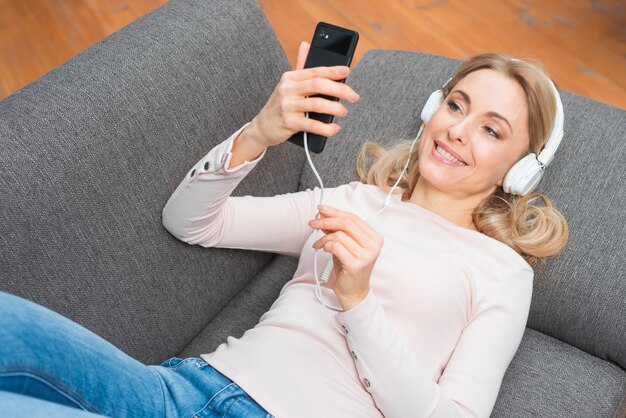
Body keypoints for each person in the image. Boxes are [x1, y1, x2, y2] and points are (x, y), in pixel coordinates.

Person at [0, 41, 568, 418]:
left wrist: (358, 302)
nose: (458, 131)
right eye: (456, 105)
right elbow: (194, 222)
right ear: (430, 111)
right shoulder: (353, 200)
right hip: (183, 393)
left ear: (522, 169)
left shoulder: (502, 274)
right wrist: (259, 132)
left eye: (492, 130)